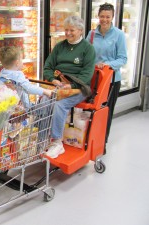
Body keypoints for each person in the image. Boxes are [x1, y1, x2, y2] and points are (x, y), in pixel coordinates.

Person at [43, 15, 96, 158]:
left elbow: (86, 76)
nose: (68, 33)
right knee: (43, 101)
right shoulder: (60, 46)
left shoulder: (88, 49)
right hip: (59, 85)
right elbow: (47, 67)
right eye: (66, 30)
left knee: (59, 105)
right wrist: (53, 80)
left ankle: (57, 142)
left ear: (80, 30)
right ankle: (43, 138)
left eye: (71, 30)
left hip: (79, 88)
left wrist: (71, 85)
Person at [86, 3, 127, 151]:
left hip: (111, 81)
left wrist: (107, 64)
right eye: (102, 16)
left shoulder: (119, 35)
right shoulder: (91, 34)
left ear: (112, 17)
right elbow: (84, 53)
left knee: (106, 113)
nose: (104, 19)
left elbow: (123, 58)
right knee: (90, 111)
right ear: (98, 16)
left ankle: (101, 143)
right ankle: (88, 141)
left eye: (107, 17)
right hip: (94, 80)